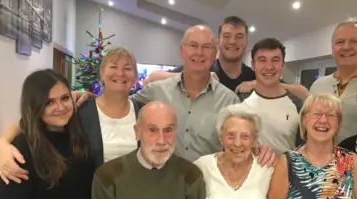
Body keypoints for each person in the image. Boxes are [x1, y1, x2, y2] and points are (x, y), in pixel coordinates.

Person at [0, 69, 96, 199]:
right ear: (35, 106)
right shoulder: (21, 150)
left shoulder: (78, 139)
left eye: (65, 98)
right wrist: (2, 143)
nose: (60, 107)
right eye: (49, 102)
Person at [130, 24, 276, 165]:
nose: (199, 52)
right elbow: (120, 106)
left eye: (206, 47)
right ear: (182, 51)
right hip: (163, 183)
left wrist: (261, 150)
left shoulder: (229, 101)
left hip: (208, 185)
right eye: (193, 45)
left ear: (214, 54)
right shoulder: (155, 91)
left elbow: (244, 141)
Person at [0, 47, 142, 183]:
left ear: (135, 77)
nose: (120, 73)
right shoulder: (81, 109)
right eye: (113, 67)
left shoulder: (143, 113)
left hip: (133, 196)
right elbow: (29, 122)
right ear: (102, 74)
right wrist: (2, 143)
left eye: (127, 68)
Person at [144, 16, 309, 102]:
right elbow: (151, 79)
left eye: (239, 37)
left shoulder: (254, 74)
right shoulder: (203, 67)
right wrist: (202, 77)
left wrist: (260, 83)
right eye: (227, 36)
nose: (232, 41)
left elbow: (303, 93)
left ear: (245, 42)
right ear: (218, 42)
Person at [223, 37, 301, 156]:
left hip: (284, 173)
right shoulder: (240, 100)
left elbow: (304, 151)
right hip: (247, 173)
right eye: (262, 60)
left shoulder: (297, 104)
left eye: (275, 60)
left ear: (282, 65)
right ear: (253, 65)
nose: (269, 66)